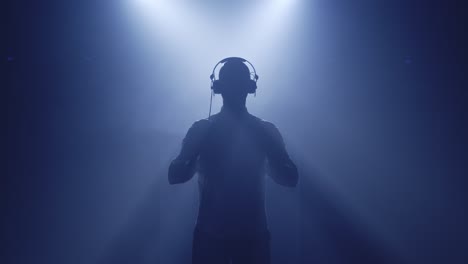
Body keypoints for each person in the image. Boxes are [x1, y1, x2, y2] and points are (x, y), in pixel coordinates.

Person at [168, 57, 298, 264]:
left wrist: (193, 159)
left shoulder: (204, 129)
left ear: (217, 87)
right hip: (239, 235)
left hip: (223, 234)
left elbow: (174, 175)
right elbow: (291, 178)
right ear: (251, 87)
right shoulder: (263, 130)